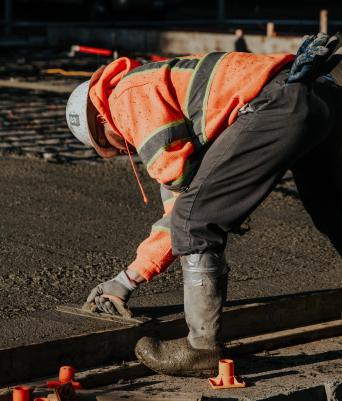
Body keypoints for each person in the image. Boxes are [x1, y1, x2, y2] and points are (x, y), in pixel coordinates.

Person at [66, 33, 342, 377]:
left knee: (196, 221)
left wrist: (128, 279)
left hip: (281, 99)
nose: (123, 151)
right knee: (335, 214)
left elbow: (185, 208)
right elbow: (182, 200)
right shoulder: (162, 88)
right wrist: (126, 280)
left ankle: (201, 348)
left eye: (110, 145)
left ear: (101, 120)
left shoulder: (127, 99)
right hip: (321, 93)